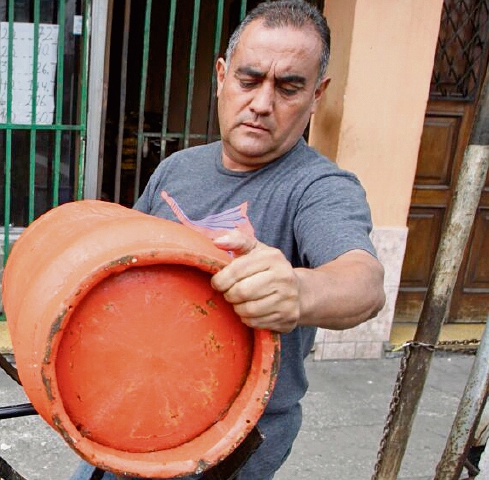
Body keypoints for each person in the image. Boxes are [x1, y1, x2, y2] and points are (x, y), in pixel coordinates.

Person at [72, 1, 385, 478]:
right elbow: (121, 265)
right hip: (137, 407)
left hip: (234, 440)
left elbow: (363, 283)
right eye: (249, 79)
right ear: (221, 76)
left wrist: (299, 291)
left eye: (288, 87)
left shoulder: (318, 187)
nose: (262, 103)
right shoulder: (177, 168)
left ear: (317, 94)